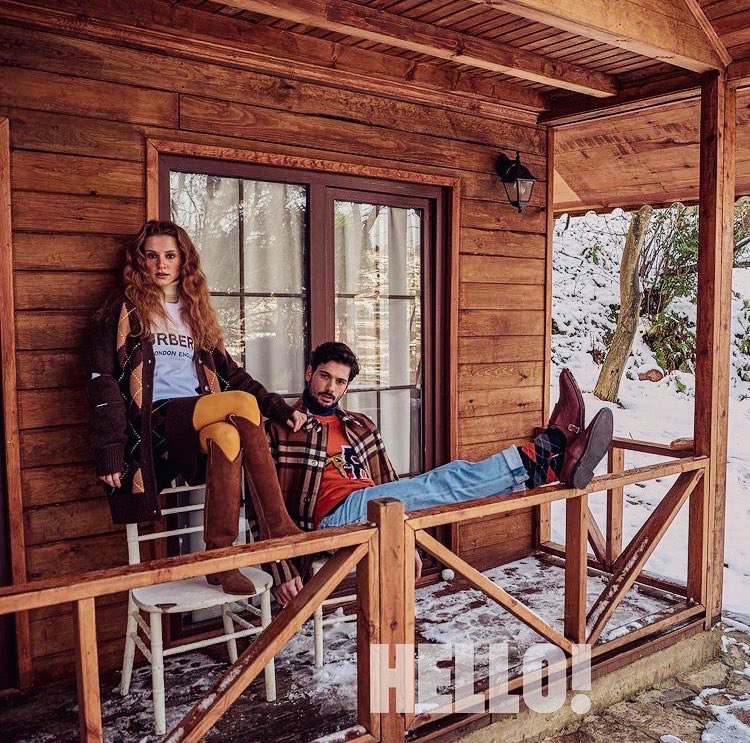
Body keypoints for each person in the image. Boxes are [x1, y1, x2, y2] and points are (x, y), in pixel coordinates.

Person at [266, 341, 613, 604]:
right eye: (325, 376)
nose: (330, 388)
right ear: (309, 373)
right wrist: (281, 568)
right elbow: (264, 507)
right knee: (449, 479)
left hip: (373, 511)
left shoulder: (360, 426)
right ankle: (553, 445)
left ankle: (552, 466)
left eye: (340, 382)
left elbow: (393, 488)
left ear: (346, 387)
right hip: (331, 520)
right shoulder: (282, 429)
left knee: (451, 483)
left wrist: (408, 538)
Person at [86, 220, 304, 596]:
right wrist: (109, 448)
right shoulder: (122, 310)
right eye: (151, 255)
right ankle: (278, 526)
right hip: (151, 420)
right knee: (241, 404)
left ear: (183, 260)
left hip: (192, 420)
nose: (161, 264)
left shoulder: (194, 312)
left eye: (170, 255)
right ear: (139, 261)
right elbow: (100, 379)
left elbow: (231, 373)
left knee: (227, 436)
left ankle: (220, 559)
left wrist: (279, 408)